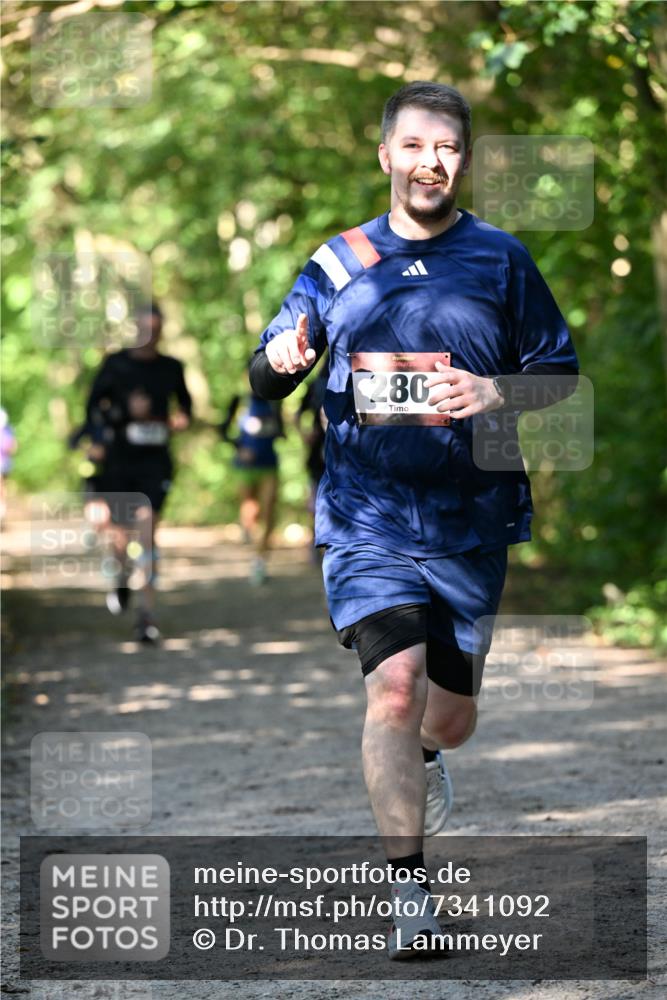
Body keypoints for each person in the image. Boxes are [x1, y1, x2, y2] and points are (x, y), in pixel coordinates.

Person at [249, 81, 578, 958]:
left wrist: (493, 389)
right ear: (386, 154)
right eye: (414, 145)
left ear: (462, 159)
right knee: (392, 690)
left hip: (473, 518)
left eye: (448, 147)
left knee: (447, 719)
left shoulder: (501, 258)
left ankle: (431, 758)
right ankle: (410, 894)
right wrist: (279, 360)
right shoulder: (337, 261)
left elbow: (561, 371)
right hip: (365, 518)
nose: (430, 161)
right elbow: (265, 371)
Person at [84, 301, 192, 642]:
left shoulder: (172, 367)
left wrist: (181, 418)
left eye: (157, 331)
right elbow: (92, 408)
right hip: (118, 460)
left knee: (146, 530)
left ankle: (146, 615)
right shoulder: (115, 364)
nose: (151, 338)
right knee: (119, 537)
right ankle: (119, 575)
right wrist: (114, 420)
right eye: (146, 331)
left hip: (154, 462)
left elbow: (186, 406)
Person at [220, 387, 283, 584]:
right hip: (245, 468)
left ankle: (260, 559)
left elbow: (280, 428)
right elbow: (222, 429)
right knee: (251, 512)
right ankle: (251, 545)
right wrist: (240, 447)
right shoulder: (239, 400)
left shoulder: (275, 400)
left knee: (269, 512)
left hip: (269, 465)